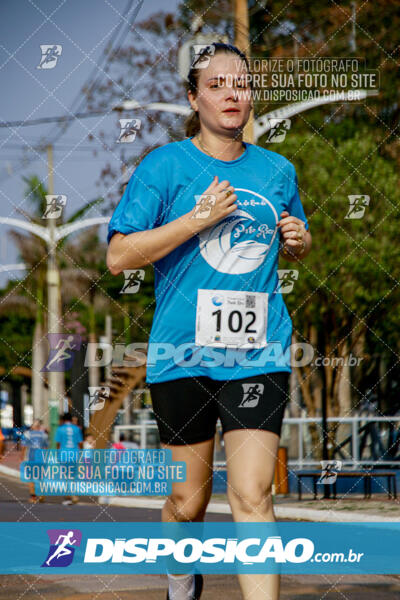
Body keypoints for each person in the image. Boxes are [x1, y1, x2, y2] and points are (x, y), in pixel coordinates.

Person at [107, 42, 311, 600]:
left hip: (258, 352)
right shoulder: (164, 166)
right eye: (216, 84)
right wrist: (196, 220)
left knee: (252, 495)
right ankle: (180, 581)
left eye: (241, 83)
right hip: (182, 354)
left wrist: (299, 239)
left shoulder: (277, 169)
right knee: (187, 500)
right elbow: (119, 256)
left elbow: (295, 229)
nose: (231, 93)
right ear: (193, 97)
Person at [55, 412, 83, 505]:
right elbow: (80, 442)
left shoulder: (60, 429)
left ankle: (67, 495)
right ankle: (74, 494)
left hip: (63, 455)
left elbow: (58, 444)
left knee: (65, 476)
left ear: (63, 419)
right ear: (71, 419)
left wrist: (57, 454)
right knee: (74, 475)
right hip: (74, 454)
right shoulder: (76, 429)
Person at [21, 419, 48, 503]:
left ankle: (33, 497)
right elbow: (46, 448)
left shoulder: (27, 434)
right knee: (41, 478)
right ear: (39, 426)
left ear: (33, 426)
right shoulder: (44, 435)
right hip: (40, 459)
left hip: (31, 459)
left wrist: (22, 457)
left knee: (31, 478)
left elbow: (24, 447)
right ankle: (42, 495)